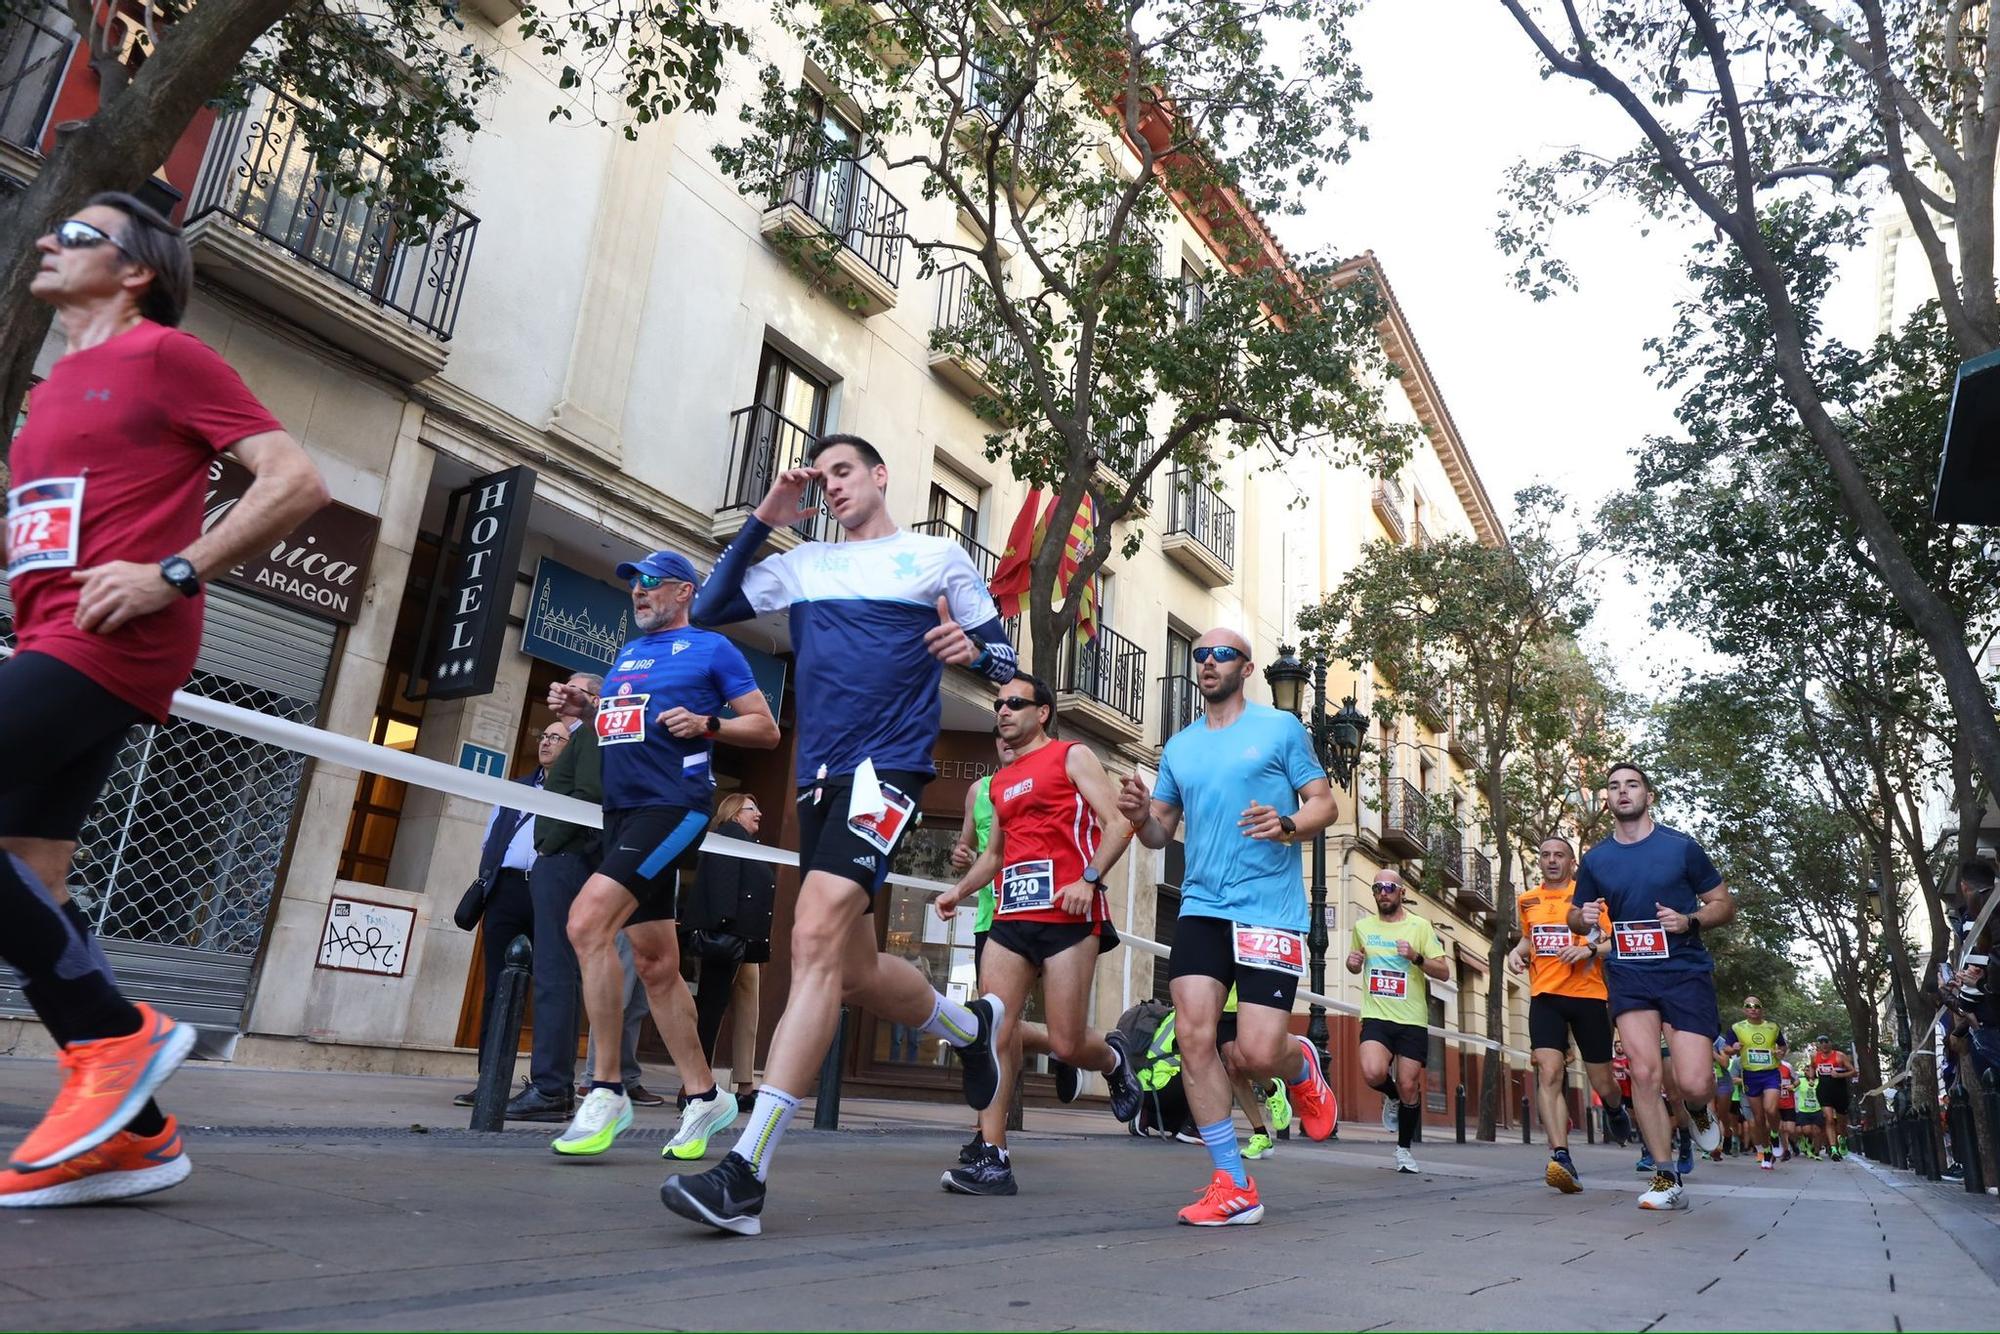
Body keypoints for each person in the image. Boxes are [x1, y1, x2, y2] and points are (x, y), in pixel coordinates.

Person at [0, 195, 328, 1208]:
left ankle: (113, 1034)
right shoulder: (56, 384)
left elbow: (295, 478)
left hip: (115, 637)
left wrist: (174, 571)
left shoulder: (165, 357)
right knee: (31, 873)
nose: (49, 241)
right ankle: (137, 1134)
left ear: (136, 269)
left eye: (79, 234)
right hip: (48, 634)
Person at [664, 434, 1014, 1236]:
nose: (832, 487)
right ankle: (971, 1027)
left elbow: (1006, 660)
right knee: (850, 967)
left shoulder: (935, 558)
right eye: (820, 480)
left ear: (881, 476)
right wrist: (766, 518)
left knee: (813, 936)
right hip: (818, 780)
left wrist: (973, 652)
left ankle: (746, 1170)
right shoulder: (804, 565)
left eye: (844, 472)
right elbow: (711, 608)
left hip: (887, 775)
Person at [552, 550, 779, 1162]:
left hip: (674, 806)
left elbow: (766, 728)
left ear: (684, 592)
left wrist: (710, 725)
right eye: (633, 583)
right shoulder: (628, 655)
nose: (638, 591)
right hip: (621, 811)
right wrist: (585, 713)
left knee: (585, 922)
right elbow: (627, 726)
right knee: (655, 963)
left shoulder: (712, 650)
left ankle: (605, 1087)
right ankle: (704, 1095)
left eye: (651, 583)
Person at [1117, 627, 1340, 1226]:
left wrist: (1289, 823)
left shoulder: (1280, 730)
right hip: (1201, 905)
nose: (1207, 662)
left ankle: (1303, 1068)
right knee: (1195, 1038)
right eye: (1200, 654)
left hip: (1268, 907)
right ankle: (1231, 1181)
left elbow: (1325, 803)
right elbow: (1161, 830)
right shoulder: (1180, 747)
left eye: (1221, 654)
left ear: (1246, 668)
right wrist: (1142, 816)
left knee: (1258, 1051)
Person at [933, 673, 1143, 1195]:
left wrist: (1088, 879)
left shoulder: (1072, 756)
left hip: (1069, 917)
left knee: (1068, 1042)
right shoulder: (999, 782)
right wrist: (958, 893)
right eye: (998, 705)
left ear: (1042, 712)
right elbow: (996, 855)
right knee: (994, 1030)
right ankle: (994, 1156)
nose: (1002, 711)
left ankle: (1112, 1057)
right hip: (1010, 918)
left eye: (1015, 703)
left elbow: (1118, 823)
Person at [1568, 762, 1732, 1211]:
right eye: (1615, 787)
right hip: (1629, 972)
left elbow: (1723, 904)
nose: (1623, 792)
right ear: (1608, 799)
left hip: (1684, 972)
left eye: (1632, 785)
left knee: (1695, 1082)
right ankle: (1664, 1175)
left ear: (1648, 795)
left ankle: (1697, 1110)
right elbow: (1575, 914)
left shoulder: (1681, 848)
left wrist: (1689, 920)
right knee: (1643, 1073)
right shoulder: (1597, 859)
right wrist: (1580, 919)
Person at [454, 717, 573, 1118]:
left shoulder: (574, 792)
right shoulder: (516, 788)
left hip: (550, 891)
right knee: (496, 986)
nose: (547, 742)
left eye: (557, 737)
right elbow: (492, 835)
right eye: (545, 735)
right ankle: (489, 1078)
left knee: (552, 986)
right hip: (506, 890)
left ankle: (550, 1083)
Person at [1507, 834, 1632, 1192]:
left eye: (1559, 855)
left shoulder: (1590, 901)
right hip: (1545, 995)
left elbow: (1615, 942)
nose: (1551, 861)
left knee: (1603, 1081)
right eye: (1545, 855)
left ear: (1571, 862)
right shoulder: (1527, 899)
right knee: (1548, 1072)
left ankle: (1613, 1108)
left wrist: (1590, 950)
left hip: (1588, 997)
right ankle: (1560, 1156)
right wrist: (1517, 952)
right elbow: (1529, 938)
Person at [1347, 869, 1449, 1176]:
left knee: (1408, 1084)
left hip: (1412, 1019)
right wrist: (1353, 965)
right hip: (1377, 1014)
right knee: (1372, 1071)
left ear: (1401, 892)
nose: (1383, 892)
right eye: (1377, 887)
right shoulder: (1363, 927)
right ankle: (1390, 1096)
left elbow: (1443, 971)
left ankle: (1404, 1149)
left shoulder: (1419, 926)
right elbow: (1355, 965)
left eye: (1389, 887)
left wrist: (1417, 958)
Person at [678, 793, 777, 1086]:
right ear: (735, 814)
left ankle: (745, 1083)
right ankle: (694, 1084)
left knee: (748, 1010)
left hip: (745, 942)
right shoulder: (727, 838)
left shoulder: (746, 842)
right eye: (751, 808)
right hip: (728, 940)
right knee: (712, 1010)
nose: (758, 812)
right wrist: (724, 929)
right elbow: (722, 888)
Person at [1725, 996, 1787, 1170]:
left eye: (1756, 1006)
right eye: (1749, 1006)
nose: (1753, 1008)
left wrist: (1780, 1052)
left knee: (1771, 1109)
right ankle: (1766, 1151)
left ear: (1762, 1009)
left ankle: (1775, 1135)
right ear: (1744, 1009)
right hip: (1750, 1075)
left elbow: (1783, 1046)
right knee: (1758, 1118)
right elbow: (1726, 1049)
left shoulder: (1773, 1027)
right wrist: (1733, 1048)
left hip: (1771, 1073)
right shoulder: (1737, 1027)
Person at [1810, 1035, 1855, 1158]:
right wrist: (1811, 1077)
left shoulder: (1839, 1056)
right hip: (1824, 1091)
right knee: (1829, 1119)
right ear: (1818, 1044)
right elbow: (1812, 1068)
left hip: (1839, 1091)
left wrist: (1839, 1075)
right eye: (1821, 1042)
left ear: (1830, 1043)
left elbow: (1853, 1071)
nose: (1824, 1044)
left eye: (1826, 1041)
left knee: (1841, 1122)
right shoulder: (1815, 1057)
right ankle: (1834, 1149)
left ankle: (1842, 1139)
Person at [1792, 1060, 1825, 1158]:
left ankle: (1816, 1151)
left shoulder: (1820, 1082)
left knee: (1817, 1131)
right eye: (1805, 1070)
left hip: (1817, 1109)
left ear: (1815, 1071)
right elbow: (1792, 1088)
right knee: (1806, 1130)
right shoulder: (1801, 1081)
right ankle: (1806, 1141)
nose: (1807, 1072)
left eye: (1809, 1070)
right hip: (1803, 1110)